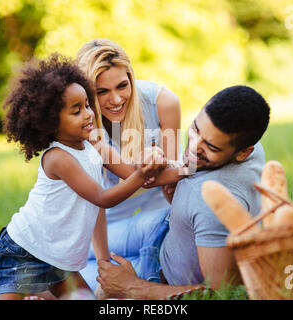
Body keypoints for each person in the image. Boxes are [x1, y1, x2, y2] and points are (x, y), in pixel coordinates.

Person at [0, 53, 166, 300]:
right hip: (22, 253)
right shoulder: (58, 158)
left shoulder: (94, 145)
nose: (89, 114)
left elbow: (134, 176)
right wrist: (141, 175)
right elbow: (103, 198)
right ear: (50, 123)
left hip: (61, 260)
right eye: (76, 110)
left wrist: (170, 165)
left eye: (87, 105)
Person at [95, 85, 271, 299]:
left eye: (211, 147)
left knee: (73, 278)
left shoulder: (211, 203)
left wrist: (132, 287)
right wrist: (179, 187)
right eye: (196, 129)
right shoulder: (248, 138)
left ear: (243, 153)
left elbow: (221, 293)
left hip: (156, 276)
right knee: (79, 244)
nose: (194, 147)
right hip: (163, 229)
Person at [75, 38, 182, 290]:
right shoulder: (82, 123)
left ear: (131, 78)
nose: (115, 99)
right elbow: (133, 179)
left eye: (122, 86)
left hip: (158, 218)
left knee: (167, 240)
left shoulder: (163, 103)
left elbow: (171, 182)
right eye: (101, 92)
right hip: (105, 232)